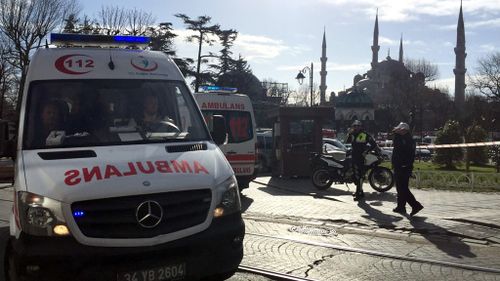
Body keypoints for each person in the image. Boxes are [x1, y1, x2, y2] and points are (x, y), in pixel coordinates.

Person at [391, 122, 423, 217]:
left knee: (403, 188)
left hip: (403, 166)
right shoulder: (405, 138)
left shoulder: (405, 139)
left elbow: (402, 150)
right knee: (400, 187)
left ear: (404, 130)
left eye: (400, 129)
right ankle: (401, 206)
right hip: (401, 165)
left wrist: (395, 133)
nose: (398, 130)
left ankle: (415, 205)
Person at [345, 120, 378, 201]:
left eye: (358, 126)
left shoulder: (365, 134)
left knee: (359, 176)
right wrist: (349, 133)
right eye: (355, 126)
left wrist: (366, 151)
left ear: (361, 126)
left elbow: (373, 144)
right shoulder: (352, 134)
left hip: (361, 157)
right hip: (353, 156)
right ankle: (360, 191)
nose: (356, 127)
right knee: (354, 176)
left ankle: (358, 194)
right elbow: (346, 141)